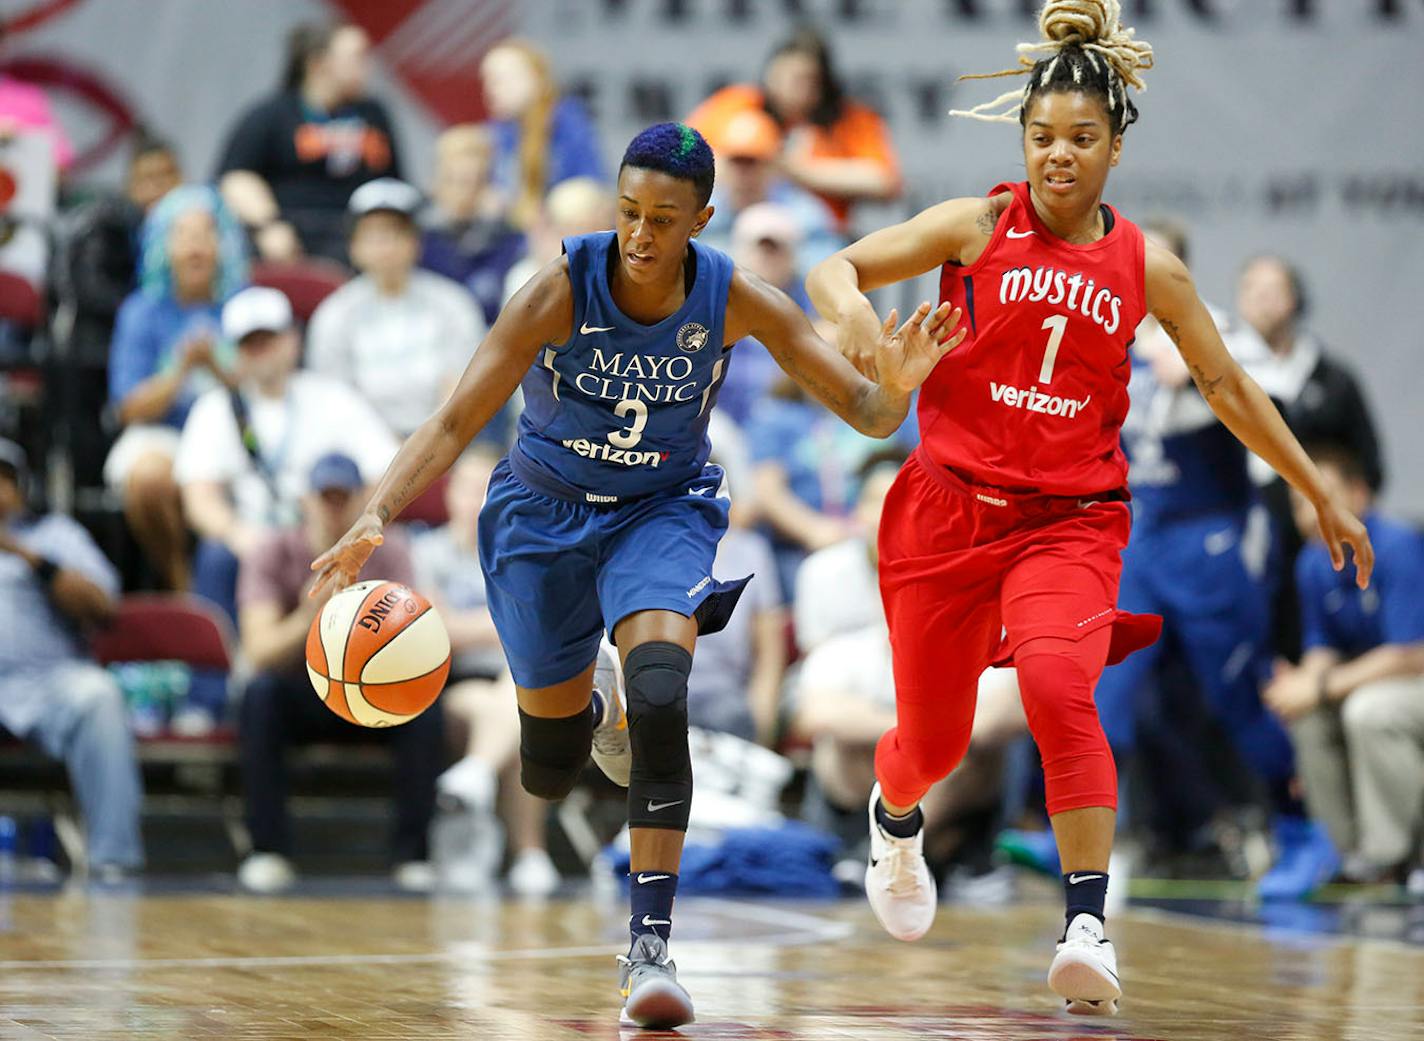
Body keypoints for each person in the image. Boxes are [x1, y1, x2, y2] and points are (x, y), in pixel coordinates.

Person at [310, 122, 962, 1029]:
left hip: (663, 509)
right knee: (550, 767)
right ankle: (593, 709)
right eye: (628, 212)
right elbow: (459, 418)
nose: (641, 235)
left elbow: (862, 409)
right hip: (541, 514)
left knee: (663, 687)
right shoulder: (558, 289)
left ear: (700, 218)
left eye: (663, 218)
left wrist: (896, 390)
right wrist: (376, 511)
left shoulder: (739, 298)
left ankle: (650, 947)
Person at [806, 0, 1372, 1016]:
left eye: (1078, 139)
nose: (1056, 156)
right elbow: (832, 266)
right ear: (1018, 142)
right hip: (945, 511)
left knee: (1060, 690)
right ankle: (895, 823)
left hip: (1065, 522)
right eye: (1039, 138)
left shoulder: (1145, 265)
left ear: (1115, 145)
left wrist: (1310, 487)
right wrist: (854, 322)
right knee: (929, 746)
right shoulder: (975, 225)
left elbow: (1230, 389)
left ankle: (1085, 925)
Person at [1094, 220, 1333, 898]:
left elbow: (1272, 397)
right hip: (1137, 538)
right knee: (1102, 692)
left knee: (1236, 694)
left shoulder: (1213, 327)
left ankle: (1300, 828)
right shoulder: (1105, 330)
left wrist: (1204, 362)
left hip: (1211, 542)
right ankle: (1088, 847)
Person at [234, 452, 440, 893]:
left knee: (425, 707)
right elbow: (259, 650)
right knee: (260, 695)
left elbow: (417, 640)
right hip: (304, 691)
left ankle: (413, 855)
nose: (333, 507)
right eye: (324, 497)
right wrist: (319, 609)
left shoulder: (392, 550)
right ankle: (267, 850)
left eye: (343, 497)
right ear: (304, 500)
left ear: (362, 500)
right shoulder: (272, 549)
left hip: (372, 692)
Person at [175, 286, 398, 627]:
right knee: (215, 556)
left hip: (329, 531)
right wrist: (237, 534)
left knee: (392, 546)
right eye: (250, 343)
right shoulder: (216, 409)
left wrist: (347, 528)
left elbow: (384, 473)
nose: (260, 351)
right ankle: (218, 674)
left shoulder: (333, 398)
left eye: (269, 339)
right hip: (254, 536)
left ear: (292, 340)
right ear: (235, 351)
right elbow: (199, 496)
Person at [1265, 444, 1424, 893]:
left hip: (1412, 679)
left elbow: (1412, 653)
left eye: (1323, 495)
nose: (1311, 510)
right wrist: (1301, 686)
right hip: (1373, 681)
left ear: (1358, 493)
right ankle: (1342, 855)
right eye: (1300, 501)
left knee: (1369, 711)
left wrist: (1322, 684)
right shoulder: (1312, 562)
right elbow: (1322, 647)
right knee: (1308, 713)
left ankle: (1387, 856)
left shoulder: (1397, 544)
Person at [411, 447, 562, 897]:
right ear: (450, 495)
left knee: (519, 708)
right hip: (451, 684)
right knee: (520, 716)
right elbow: (432, 629)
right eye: (468, 488)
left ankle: (476, 774)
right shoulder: (424, 551)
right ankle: (531, 852)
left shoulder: (527, 551)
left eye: (487, 489)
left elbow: (540, 629)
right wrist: (502, 624)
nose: (477, 498)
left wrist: (465, 623)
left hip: (514, 680)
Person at [0, 439, 143, 878]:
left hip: (47, 681)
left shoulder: (56, 535)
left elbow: (102, 607)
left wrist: (23, 554)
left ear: (20, 486)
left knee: (98, 695)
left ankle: (112, 861)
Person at [104, 186, 248, 591]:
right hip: (165, 433)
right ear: (161, 245)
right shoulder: (141, 311)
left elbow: (267, 388)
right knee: (148, 480)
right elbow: (129, 408)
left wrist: (218, 368)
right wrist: (181, 370)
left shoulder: (245, 304)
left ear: (225, 244)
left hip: (237, 434)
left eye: (206, 234)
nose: (195, 247)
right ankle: (180, 583)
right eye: (183, 235)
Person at [306, 177, 487, 438]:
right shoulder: (335, 313)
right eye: (373, 236)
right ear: (353, 247)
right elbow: (335, 398)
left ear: (416, 242)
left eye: (396, 234)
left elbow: (462, 389)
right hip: (363, 444)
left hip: (445, 439)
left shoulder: (453, 303)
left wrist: (425, 448)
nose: (386, 247)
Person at [216, 20, 403, 263]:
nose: (367, 68)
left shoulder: (374, 114)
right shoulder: (272, 114)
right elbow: (236, 178)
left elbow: (396, 184)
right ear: (318, 64)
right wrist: (268, 227)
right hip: (290, 242)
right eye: (356, 58)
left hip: (363, 244)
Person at [686, 25, 901, 231]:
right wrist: (752, 164)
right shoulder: (741, 104)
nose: (790, 86)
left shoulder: (848, 119)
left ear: (822, 83)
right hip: (740, 232)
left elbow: (883, 181)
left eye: (804, 79)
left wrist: (795, 170)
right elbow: (680, 160)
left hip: (820, 236)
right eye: (783, 75)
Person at [696, 108, 843, 273]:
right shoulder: (700, 212)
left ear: (773, 166)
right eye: (736, 162)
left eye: (752, 163)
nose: (743, 174)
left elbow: (828, 273)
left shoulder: (804, 214)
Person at [480, 39, 604, 229]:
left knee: (570, 200)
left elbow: (593, 186)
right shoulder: (498, 131)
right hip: (511, 241)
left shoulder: (567, 121)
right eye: (486, 80)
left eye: (499, 80)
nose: (490, 90)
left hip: (562, 237)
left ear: (535, 79)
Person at [715, 202, 816, 425]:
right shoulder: (710, 307)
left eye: (777, 249)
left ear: (793, 257)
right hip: (719, 428)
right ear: (738, 250)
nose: (767, 259)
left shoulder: (814, 313)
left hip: (788, 431)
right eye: (760, 248)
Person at [419, 124, 527, 328]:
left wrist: (491, 226)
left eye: (476, 181)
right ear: (435, 183)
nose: (465, 192)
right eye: (455, 180)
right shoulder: (419, 242)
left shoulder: (510, 240)